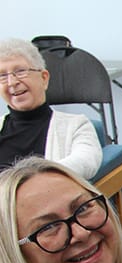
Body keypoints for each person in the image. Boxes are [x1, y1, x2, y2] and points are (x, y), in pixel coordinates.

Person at [0, 38, 101, 178]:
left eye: (21, 71)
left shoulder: (76, 125)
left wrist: (30, 182)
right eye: (2, 76)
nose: (12, 82)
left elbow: (86, 162)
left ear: (44, 78)